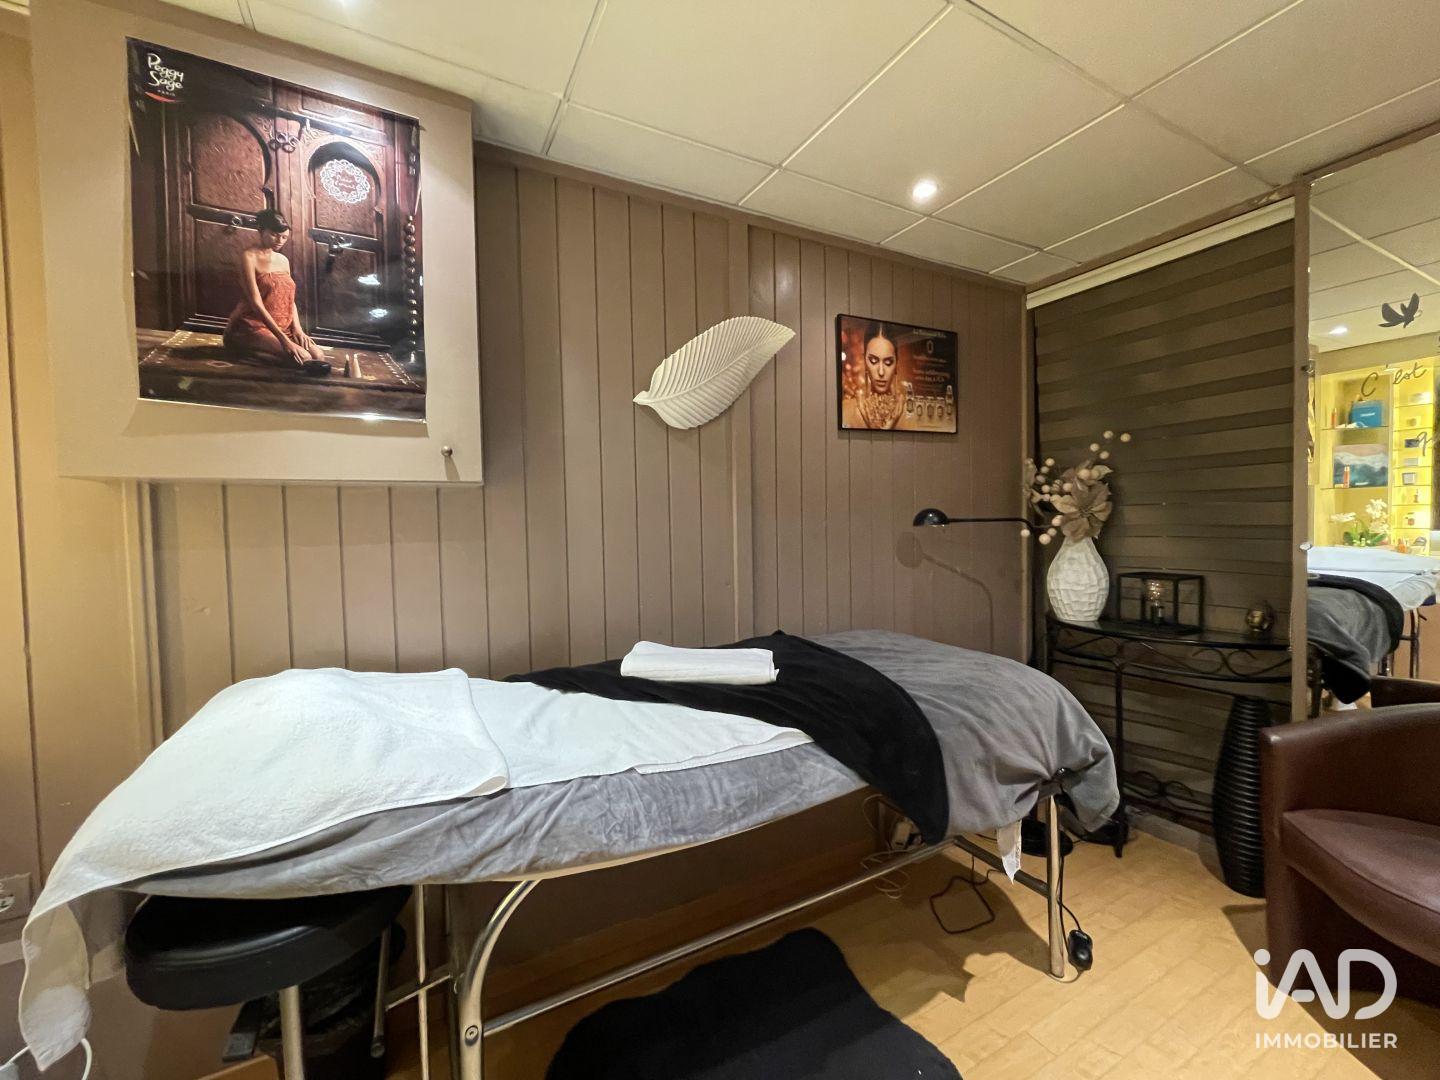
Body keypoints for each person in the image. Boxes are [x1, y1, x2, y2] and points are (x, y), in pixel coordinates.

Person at [222, 209, 329, 372]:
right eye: (274, 235)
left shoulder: (283, 260)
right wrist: (285, 341)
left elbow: (289, 299)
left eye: (284, 237)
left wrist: (298, 329)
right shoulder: (249, 257)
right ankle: (245, 351)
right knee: (304, 360)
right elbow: (256, 303)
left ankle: (268, 354)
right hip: (253, 326)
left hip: (284, 326)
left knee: (318, 356)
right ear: (261, 230)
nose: (280, 241)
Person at [841, 321, 907, 429]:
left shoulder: (911, 412)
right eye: (873, 361)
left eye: (888, 362)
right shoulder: (845, 410)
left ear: (896, 363)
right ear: (864, 361)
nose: (881, 372)